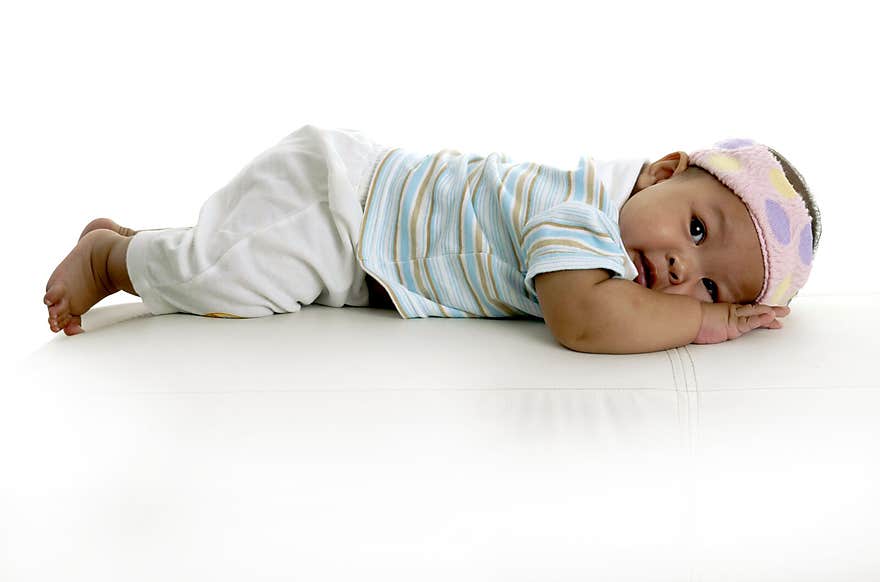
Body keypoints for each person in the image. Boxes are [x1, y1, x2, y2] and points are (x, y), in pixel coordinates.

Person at [43, 125, 820, 354]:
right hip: (341, 206)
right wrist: (705, 321)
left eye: (714, 284)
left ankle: (136, 239)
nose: (686, 269)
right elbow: (584, 321)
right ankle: (110, 256)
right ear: (659, 171)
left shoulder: (615, 243)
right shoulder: (581, 212)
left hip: (362, 257)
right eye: (695, 229)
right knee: (224, 279)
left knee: (238, 266)